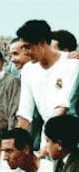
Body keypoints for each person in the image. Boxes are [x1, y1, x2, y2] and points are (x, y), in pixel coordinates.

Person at [16, 20, 79, 154]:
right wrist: (16, 144)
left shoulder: (71, 65)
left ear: (42, 43)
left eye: (28, 47)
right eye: (22, 48)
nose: (25, 52)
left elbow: (61, 107)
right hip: (48, 139)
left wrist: (47, 147)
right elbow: (25, 113)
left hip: (70, 139)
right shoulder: (28, 70)